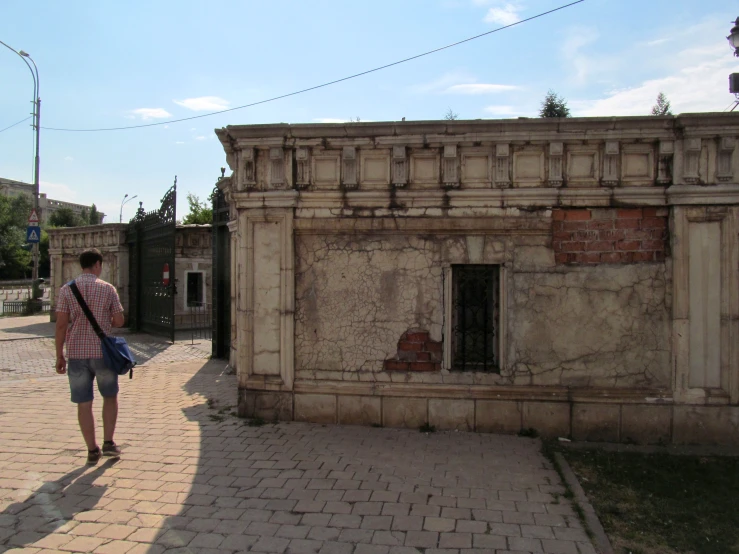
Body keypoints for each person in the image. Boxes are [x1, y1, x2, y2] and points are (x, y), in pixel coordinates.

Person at [55, 248, 125, 465]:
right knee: (109, 397)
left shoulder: (67, 290)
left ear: (81, 265)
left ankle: (92, 450)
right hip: (102, 353)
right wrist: (106, 322)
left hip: (76, 354)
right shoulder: (108, 289)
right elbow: (119, 321)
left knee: (83, 403)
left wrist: (59, 355)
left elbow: (60, 325)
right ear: (97, 264)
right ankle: (108, 443)